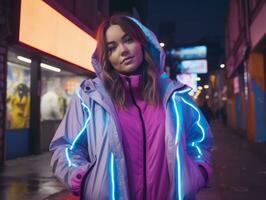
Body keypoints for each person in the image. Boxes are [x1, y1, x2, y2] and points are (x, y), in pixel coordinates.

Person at [50, 15, 213, 200]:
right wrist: (79, 175)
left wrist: (199, 171)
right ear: (107, 57)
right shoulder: (90, 97)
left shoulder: (175, 96)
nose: (123, 51)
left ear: (142, 42)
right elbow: (65, 146)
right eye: (112, 48)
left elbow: (199, 140)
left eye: (128, 40)